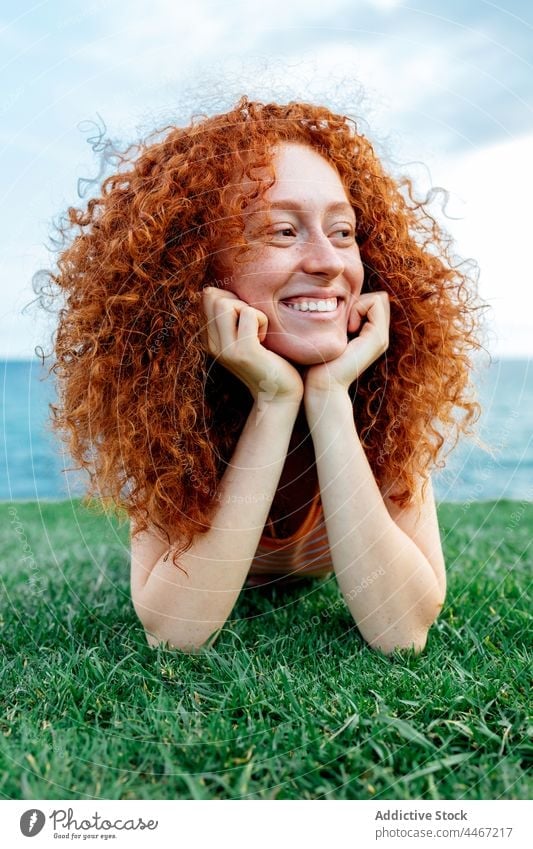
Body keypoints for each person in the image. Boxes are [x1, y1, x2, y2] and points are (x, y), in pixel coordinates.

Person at [44, 96, 482, 656]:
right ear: (198, 267)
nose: (328, 261)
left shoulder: (386, 396)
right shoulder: (165, 408)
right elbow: (176, 635)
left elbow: (401, 633)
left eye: (343, 232)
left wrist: (329, 396)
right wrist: (274, 399)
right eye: (282, 231)